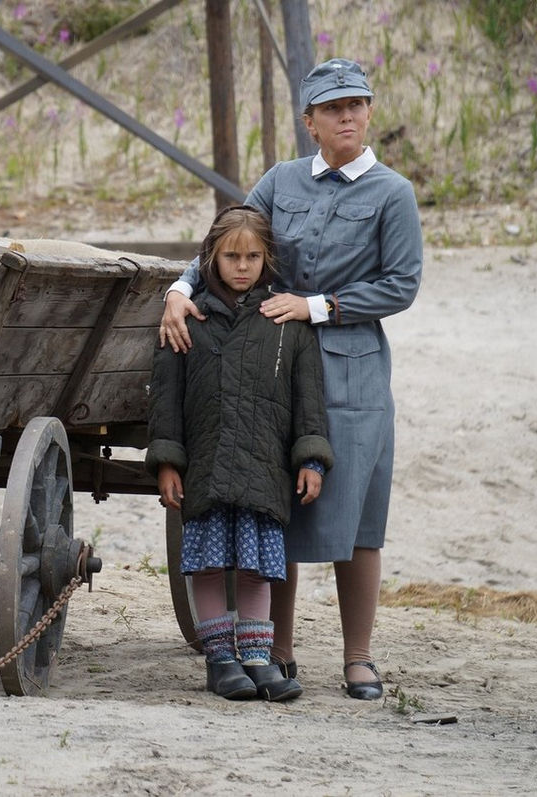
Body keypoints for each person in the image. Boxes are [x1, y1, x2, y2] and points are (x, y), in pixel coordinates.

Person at [159, 58, 423, 700]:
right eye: (333, 109)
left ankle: (357, 657)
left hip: (351, 377)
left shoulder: (393, 193)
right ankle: (275, 648)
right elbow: (230, 241)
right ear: (310, 122)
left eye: (357, 104)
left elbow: (402, 284)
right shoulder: (281, 182)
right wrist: (177, 288)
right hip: (269, 374)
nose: (348, 117)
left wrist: (317, 305)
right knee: (277, 510)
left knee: (356, 519)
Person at [147, 205, 333, 701]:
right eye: (232, 256)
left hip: (263, 469)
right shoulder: (189, 317)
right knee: (208, 565)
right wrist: (167, 460)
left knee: (256, 567)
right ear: (212, 257)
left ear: (267, 258)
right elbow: (166, 397)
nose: (242, 265)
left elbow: (308, 399)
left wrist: (311, 459)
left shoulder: (286, 321)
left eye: (253, 256)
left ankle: (257, 658)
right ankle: (220, 661)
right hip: (206, 467)